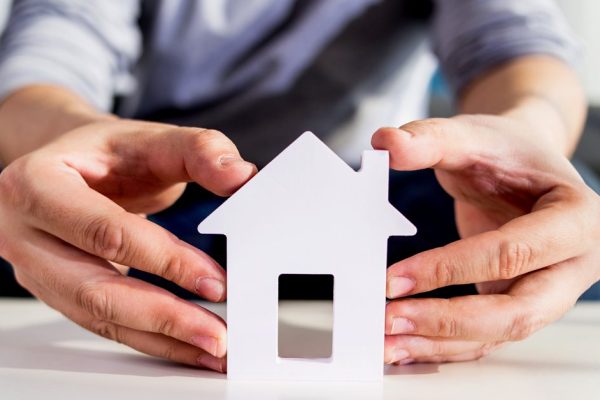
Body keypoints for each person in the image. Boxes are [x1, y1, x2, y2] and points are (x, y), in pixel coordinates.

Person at [0, 0, 598, 373]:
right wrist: (67, 135)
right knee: (33, 228)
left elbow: (515, 43)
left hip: (375, 187)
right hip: (157, 188)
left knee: (553, 237)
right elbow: (52, 50)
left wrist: (524, 133)